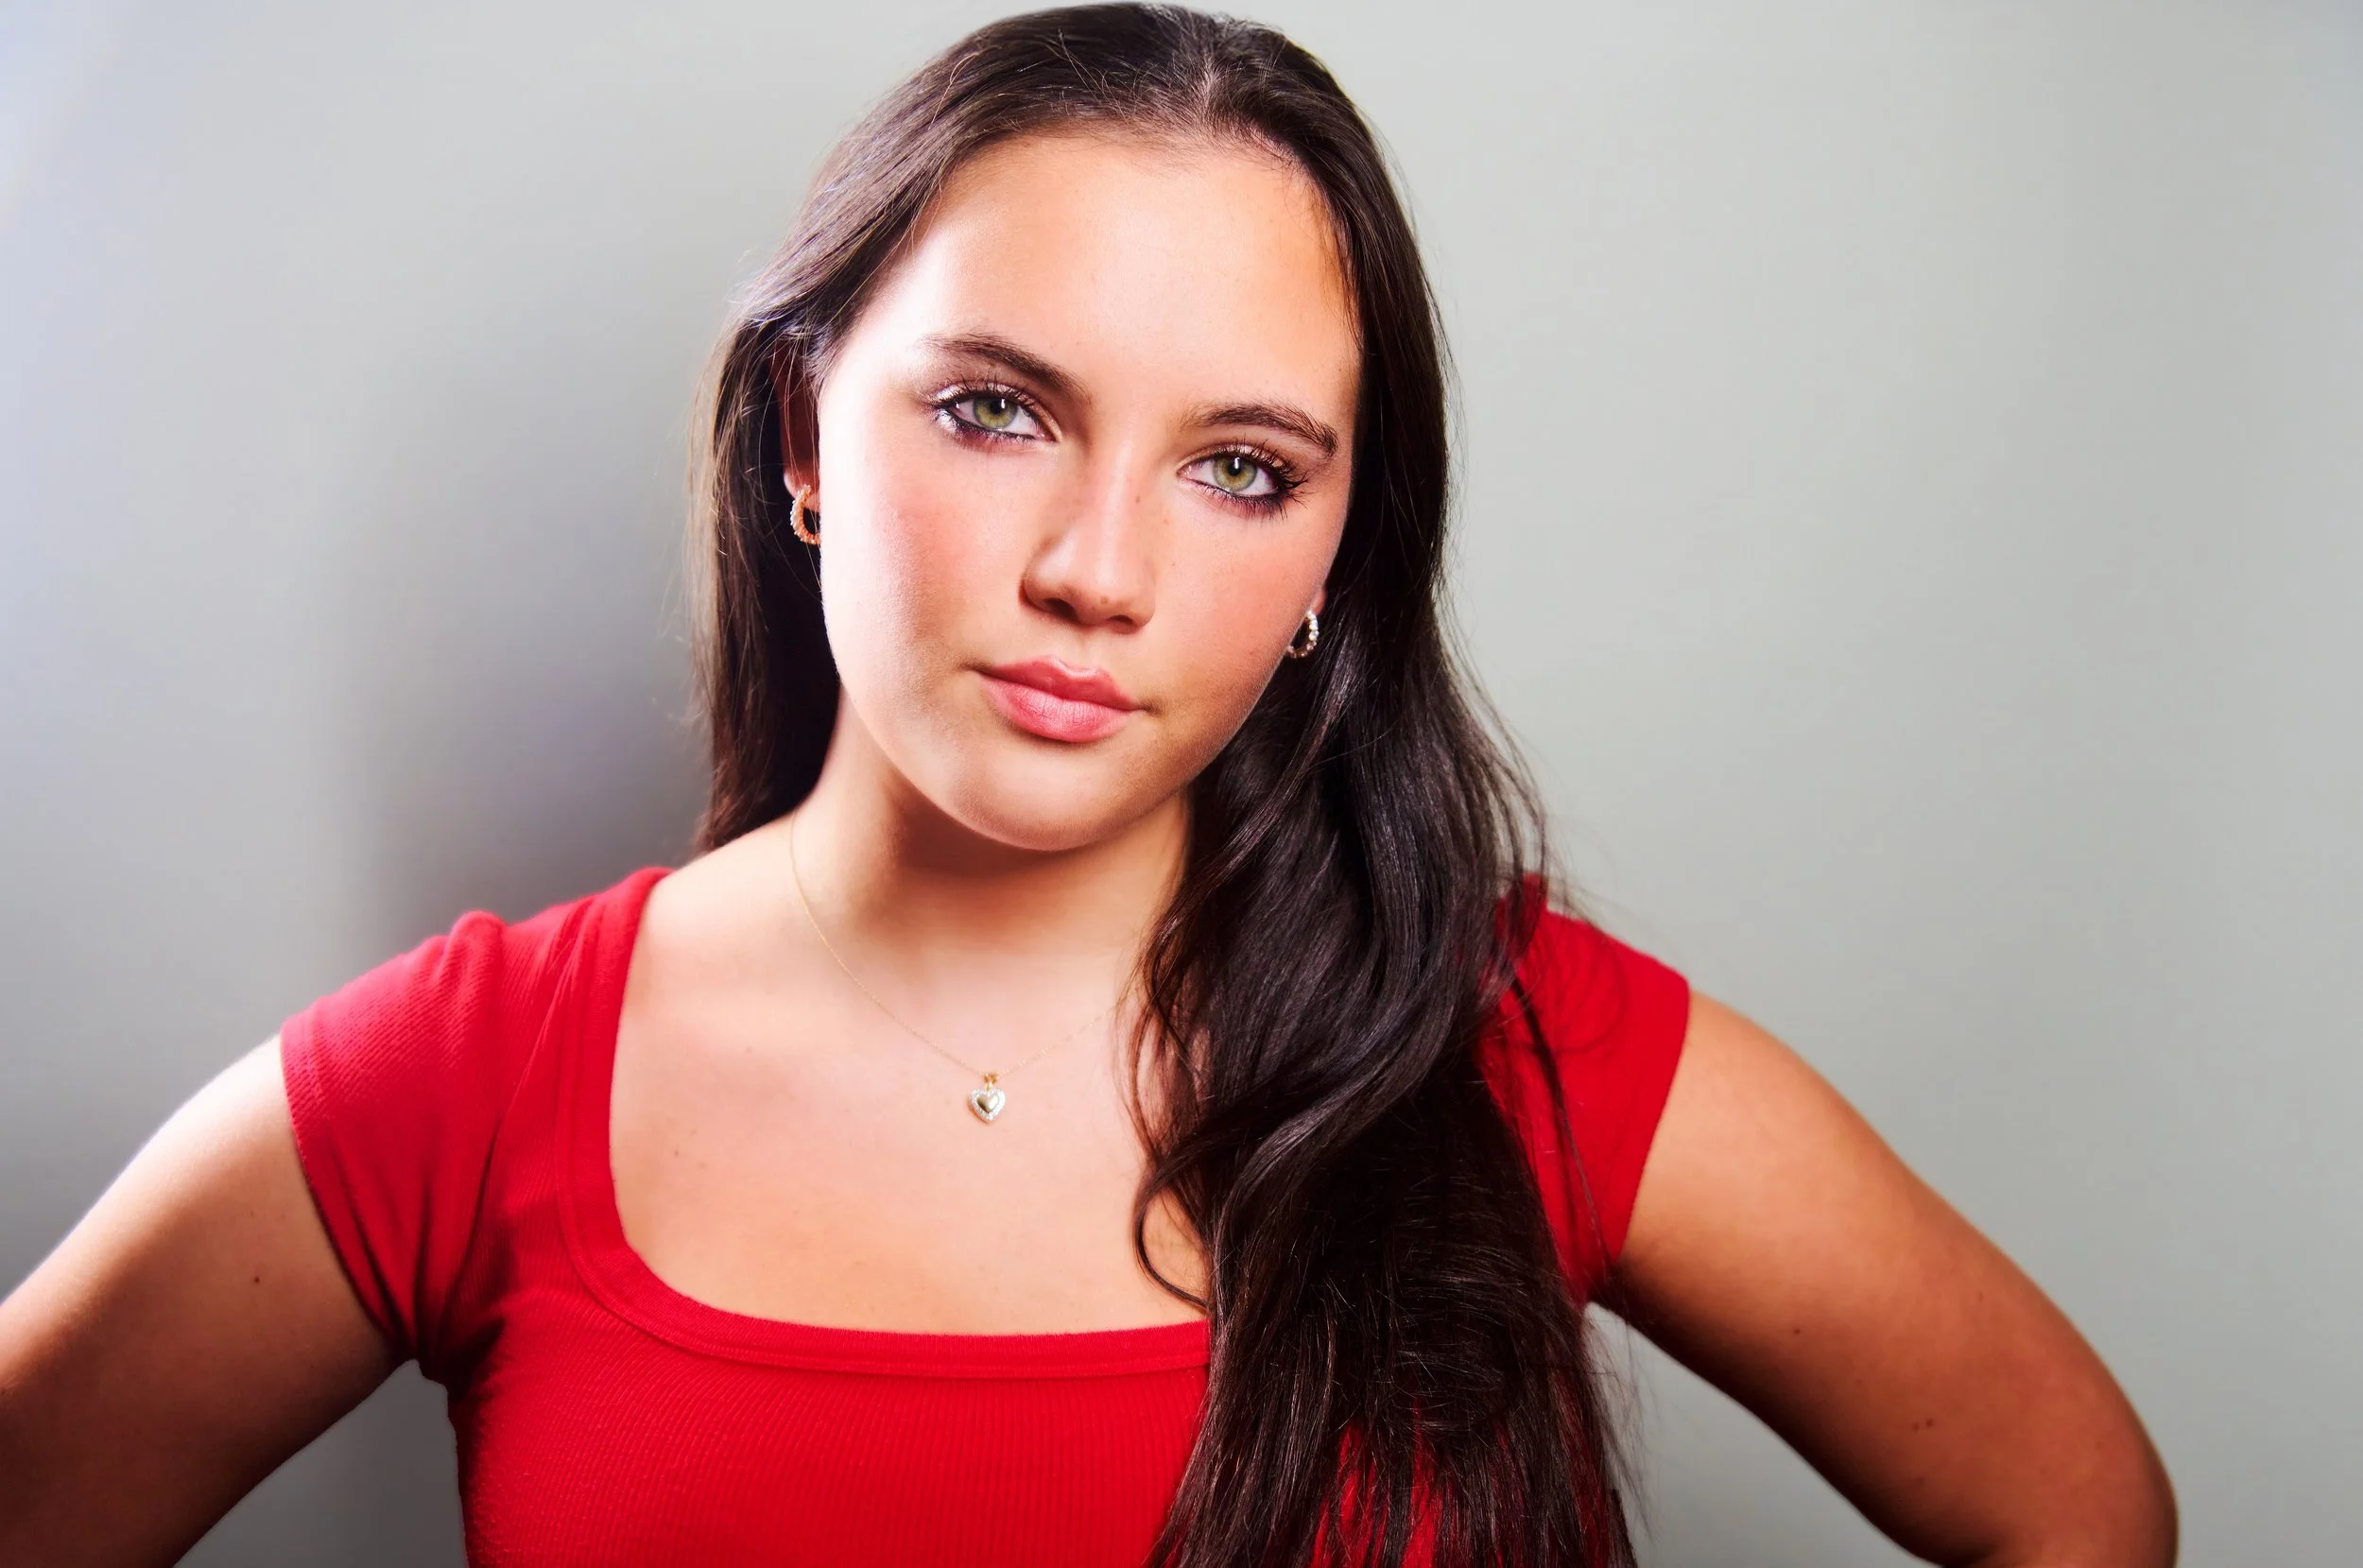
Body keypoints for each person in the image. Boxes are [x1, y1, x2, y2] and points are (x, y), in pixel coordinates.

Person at [0, 6, 2176, 1565]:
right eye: (996, 410)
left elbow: (2074, 1503)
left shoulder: (1515, 1048)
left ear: (1334, 552)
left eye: (1239, 470)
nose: (1097, 572)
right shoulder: (462, 1085)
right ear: (797, 439)